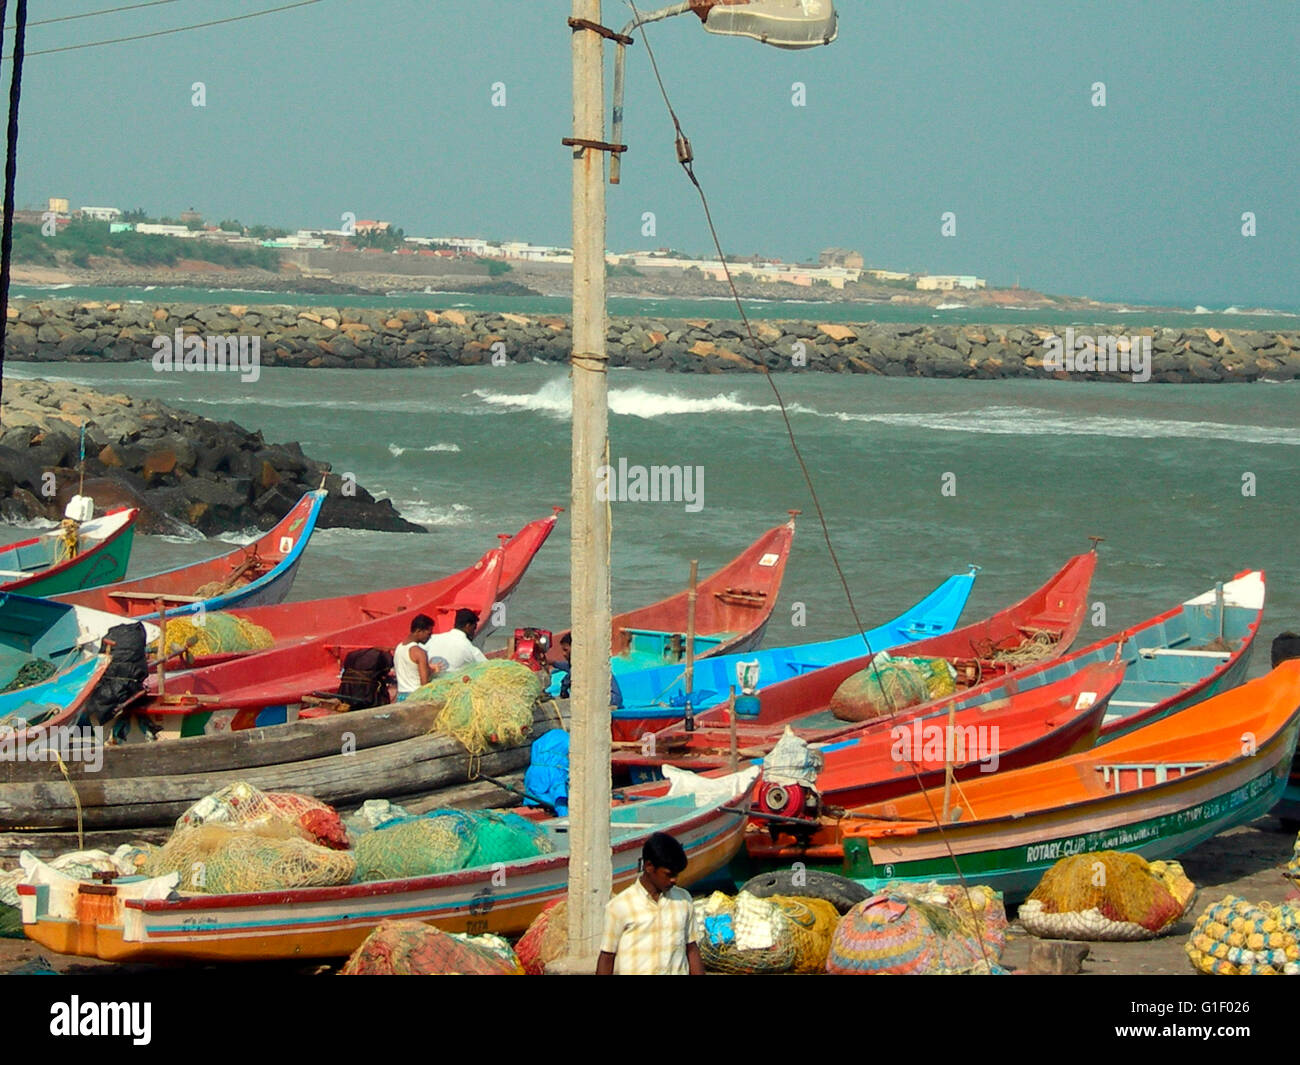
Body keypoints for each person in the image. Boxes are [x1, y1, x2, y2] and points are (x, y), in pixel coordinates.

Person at [597, 831, 703, 975]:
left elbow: (691, 948)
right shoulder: (620, 906)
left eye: (676, 875)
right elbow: (607, 957)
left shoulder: (683, 900)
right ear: (649, 866)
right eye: (669, 874)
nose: (674, 880)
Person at [554, 633, 623, 708]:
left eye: (565, 650)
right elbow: (567, 666)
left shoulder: (585, 664)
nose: (563, 654)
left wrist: (563, 693)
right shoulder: (582, 661)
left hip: (612, 699)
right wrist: (553, 663)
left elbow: (566, 681)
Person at [421, 607, 487, 673]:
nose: (474, 632)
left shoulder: (431, 639)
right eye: (474, 628)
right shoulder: (470, 649)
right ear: (468, 626)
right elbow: (488, 668)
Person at [393, 614, 436, 700]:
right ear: (419, 631)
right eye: (428, 633)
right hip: (415, 697)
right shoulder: (419, 653)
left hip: (401, 696)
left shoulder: (398, 648)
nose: (430, 637)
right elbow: (425, 684)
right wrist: (433, 672)